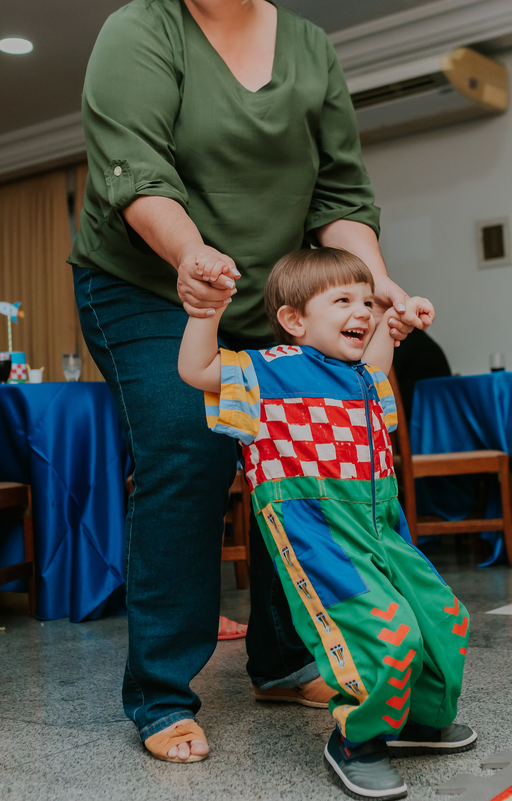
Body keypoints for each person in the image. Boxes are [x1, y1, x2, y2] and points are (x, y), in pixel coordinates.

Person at [69, 0, 430, 762]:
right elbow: (136, 172)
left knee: (304, 446)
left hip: (278, 290)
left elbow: (339, 194)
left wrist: (374, 283)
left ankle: (281, 655)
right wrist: (194, 260)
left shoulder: (309, 46)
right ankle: (161, 691)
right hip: (149, 279)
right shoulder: (141, 30)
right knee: (190, 441)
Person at [179, 248, 473, 801]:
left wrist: (395, 325)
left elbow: (380, 369)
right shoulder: (267, 371)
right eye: (343, 300)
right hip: (319, 532)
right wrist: (205, 313)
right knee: (386, 633)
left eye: (366, 300)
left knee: (443, 618)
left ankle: (417, 720)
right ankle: (356, 743)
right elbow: (196, 370)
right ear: (294, 320)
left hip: (381, 522)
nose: (361, 310)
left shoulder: (360, 376)